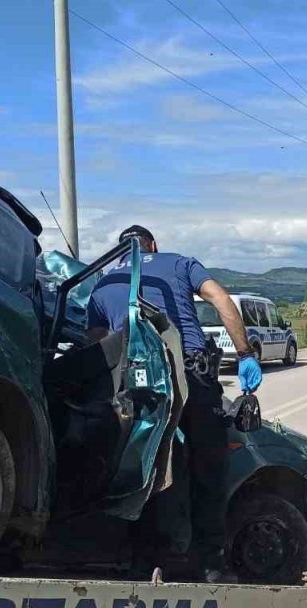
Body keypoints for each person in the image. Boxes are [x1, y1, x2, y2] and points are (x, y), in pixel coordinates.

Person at [86, 225, 263, 583]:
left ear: (122, 252)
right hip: (191, 376)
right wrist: (244, 352)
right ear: (154, 244)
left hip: (140, 383)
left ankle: (145, 560)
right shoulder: (180, 264)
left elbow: (96, 344)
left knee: (144, 464)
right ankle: (210, 563)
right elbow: (221, 299)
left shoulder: (102, 284)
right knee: (207, 465)